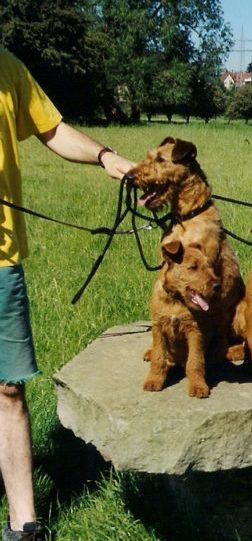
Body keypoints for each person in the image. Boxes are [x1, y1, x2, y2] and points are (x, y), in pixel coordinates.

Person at [0, 48, 134, 541]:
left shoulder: (5, 65)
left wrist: (106, 156)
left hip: (1, 258)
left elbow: (52, 129)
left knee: (9, 389)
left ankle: (24, 524)